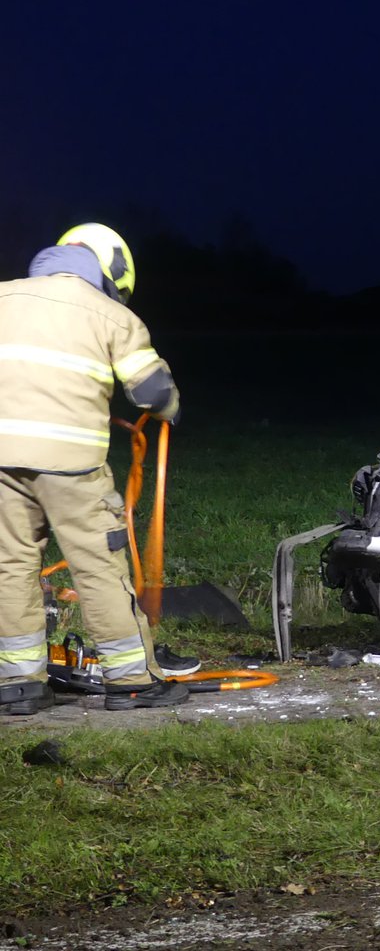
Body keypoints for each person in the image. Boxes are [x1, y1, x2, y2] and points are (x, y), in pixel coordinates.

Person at [0, 224, 190, 713]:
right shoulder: (111, 315)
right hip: (70, 464)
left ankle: (18, 684)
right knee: (99, 567)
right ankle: (130, 680)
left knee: (11, 565)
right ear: (111, 271)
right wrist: (170, 409)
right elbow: (152, 392)